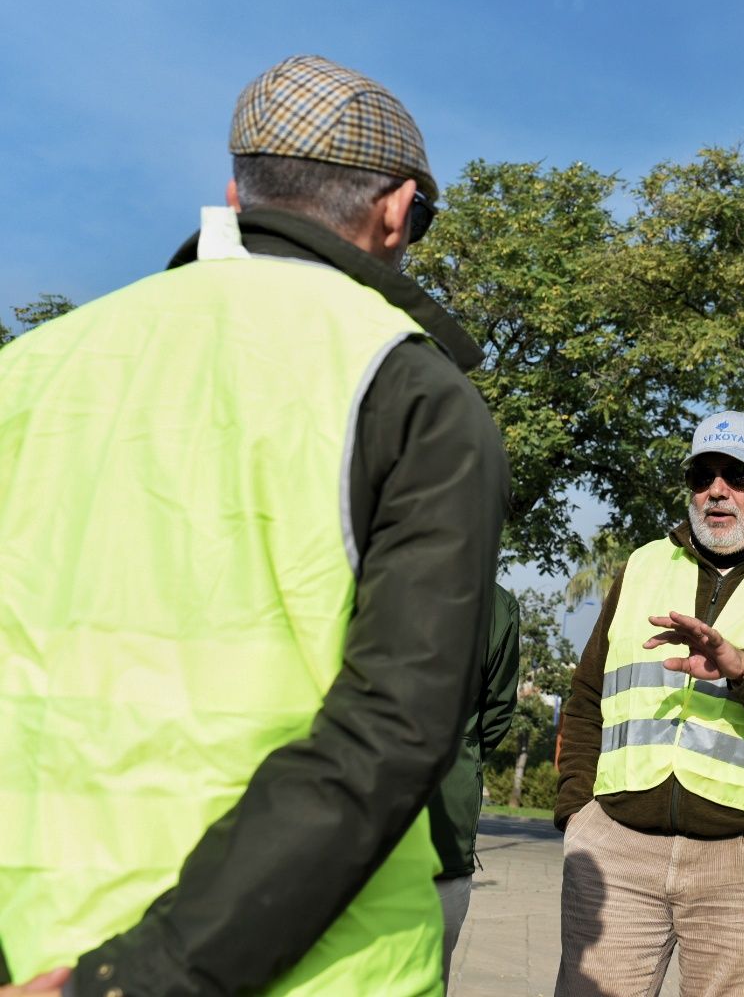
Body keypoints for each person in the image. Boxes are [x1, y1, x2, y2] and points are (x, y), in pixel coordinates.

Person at [0, 54, 508, 996]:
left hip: (28, 942)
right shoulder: (411, 389)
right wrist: (127, 981)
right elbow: (394, 729)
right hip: (308, 970)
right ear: (396, 212)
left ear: (235, 193)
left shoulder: (31, 372)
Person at [553, 410, 744, 997]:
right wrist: (578, 812)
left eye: (739, 476)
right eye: (703, 475)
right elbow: (588, 694)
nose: (717, 490)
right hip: (617, 849)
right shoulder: (644, 564)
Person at [427, 584, 522, 990]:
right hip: (443, 819)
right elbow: (496, 711)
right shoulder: (494, 602)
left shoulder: (349, 564)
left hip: (340, 820)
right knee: (426, 975)